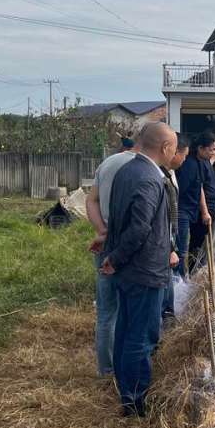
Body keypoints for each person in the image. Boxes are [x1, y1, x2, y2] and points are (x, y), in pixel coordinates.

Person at [100, 122, 177, 418]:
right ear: (166, 148)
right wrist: (116, 257)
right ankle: (134, 400)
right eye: (173, 148)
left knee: (125, 331)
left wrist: (113, 256)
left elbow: (121, 220)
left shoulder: (126, 170)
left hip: (129, 270)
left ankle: (125, 390)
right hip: (144, 270)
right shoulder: (149, 178)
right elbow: (139, 228)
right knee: (141, 337)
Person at [85, 138, 138, 377]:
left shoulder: (108, 163)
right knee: (131, 308)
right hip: (131, 247)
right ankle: (125, 366)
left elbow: (91, 200)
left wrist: (102, 230)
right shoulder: (144, 168)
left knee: (106, 311)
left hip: (105, 242)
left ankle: (106, 370)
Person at [175, 132, 213, 276]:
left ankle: (184, 276)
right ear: (200, 148)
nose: (213, 153)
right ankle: (178, 279)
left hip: (191, 211)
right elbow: (180, 189)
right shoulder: (189, 164)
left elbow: (200, 187)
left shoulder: (201, 163)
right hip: (182, 211)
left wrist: (204, 211)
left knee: (187, 248)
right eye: (211, 149)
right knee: (181, 251)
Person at [160, 133, 188, 322]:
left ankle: (167, 312)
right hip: (160, 245)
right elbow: (158, 219)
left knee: (168, 280)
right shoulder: (158, 177)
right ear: (172, 151)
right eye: (184, 154)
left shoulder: (169, 174)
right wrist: (170, 248)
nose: (185, 159)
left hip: (167, 239)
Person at [186, 132, 215, 272]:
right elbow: (198, 187)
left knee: (204, 245)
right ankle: (193, 271)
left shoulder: (205, 160)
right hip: (201, 214)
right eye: (212, 149)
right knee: (197, 244)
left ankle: (201, 270)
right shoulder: (192, 163)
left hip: (210, 210)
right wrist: (205, 211)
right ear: (201, 148)